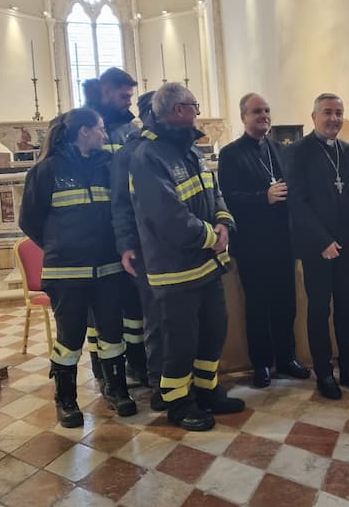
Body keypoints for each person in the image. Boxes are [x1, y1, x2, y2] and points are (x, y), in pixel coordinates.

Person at [129, 83, 244, 431]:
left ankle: (207, 391)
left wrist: (224, 222)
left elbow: (213, 191)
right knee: (180, 343)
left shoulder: (190, 149)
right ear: (178, 110)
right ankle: (178, 403)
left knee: (213, 331)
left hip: (206, 264)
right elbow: (168, 215)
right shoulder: (148, 156)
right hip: (175, 269)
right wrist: (211, 238)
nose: (197, 112)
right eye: (194, 106)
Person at [19, 108, 136, 427]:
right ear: (84, 131)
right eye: (100, 129)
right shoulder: (47, 170)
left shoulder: (107, 166)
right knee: (69, 339)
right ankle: (66, 399)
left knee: (112, 335)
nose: (105, 135)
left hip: (108, 271)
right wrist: (61, 246)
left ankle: (117, 390)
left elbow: (120, 210)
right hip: (66, 273)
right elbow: (29, 220)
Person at [282, 93, 349, 399]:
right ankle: (324, 373)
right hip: (317, 247)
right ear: (314, 117)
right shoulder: (297, 152)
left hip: (348, 245)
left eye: (338, 113)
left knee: (347, 309)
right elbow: (297, 202)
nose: (334, 118)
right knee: (319, 310)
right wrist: (322, 241)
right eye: (327, 112)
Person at [218, 93, 310, 388]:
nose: (263, 116)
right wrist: (264, 197)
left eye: (267, 110)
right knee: (258, 307)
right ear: (243, 117)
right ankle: (262, 364)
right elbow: (228, 198)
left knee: (286, 304)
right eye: (256, 111)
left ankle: (287, 358)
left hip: (283, 242)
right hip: (252, 244)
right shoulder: (231, 154)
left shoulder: (280, 149)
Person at [83, 69, 147, 387]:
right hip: (95, 233)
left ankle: (138, 364)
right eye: (124, 96)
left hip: (126, 227)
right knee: (100, 309)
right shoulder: (84, 126)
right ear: (106, 91)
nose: (128, 102)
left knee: (133, 305)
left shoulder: (129, 128)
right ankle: (103, 369)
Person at [111, 91, 168, 407]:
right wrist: (126, 244)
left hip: (180, 247)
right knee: (156, 317)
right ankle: (159, 381)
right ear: (148, 115)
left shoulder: (175, 147)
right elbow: (121, 204)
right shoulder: (129, 153)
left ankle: (182, 377)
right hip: (147, 249)